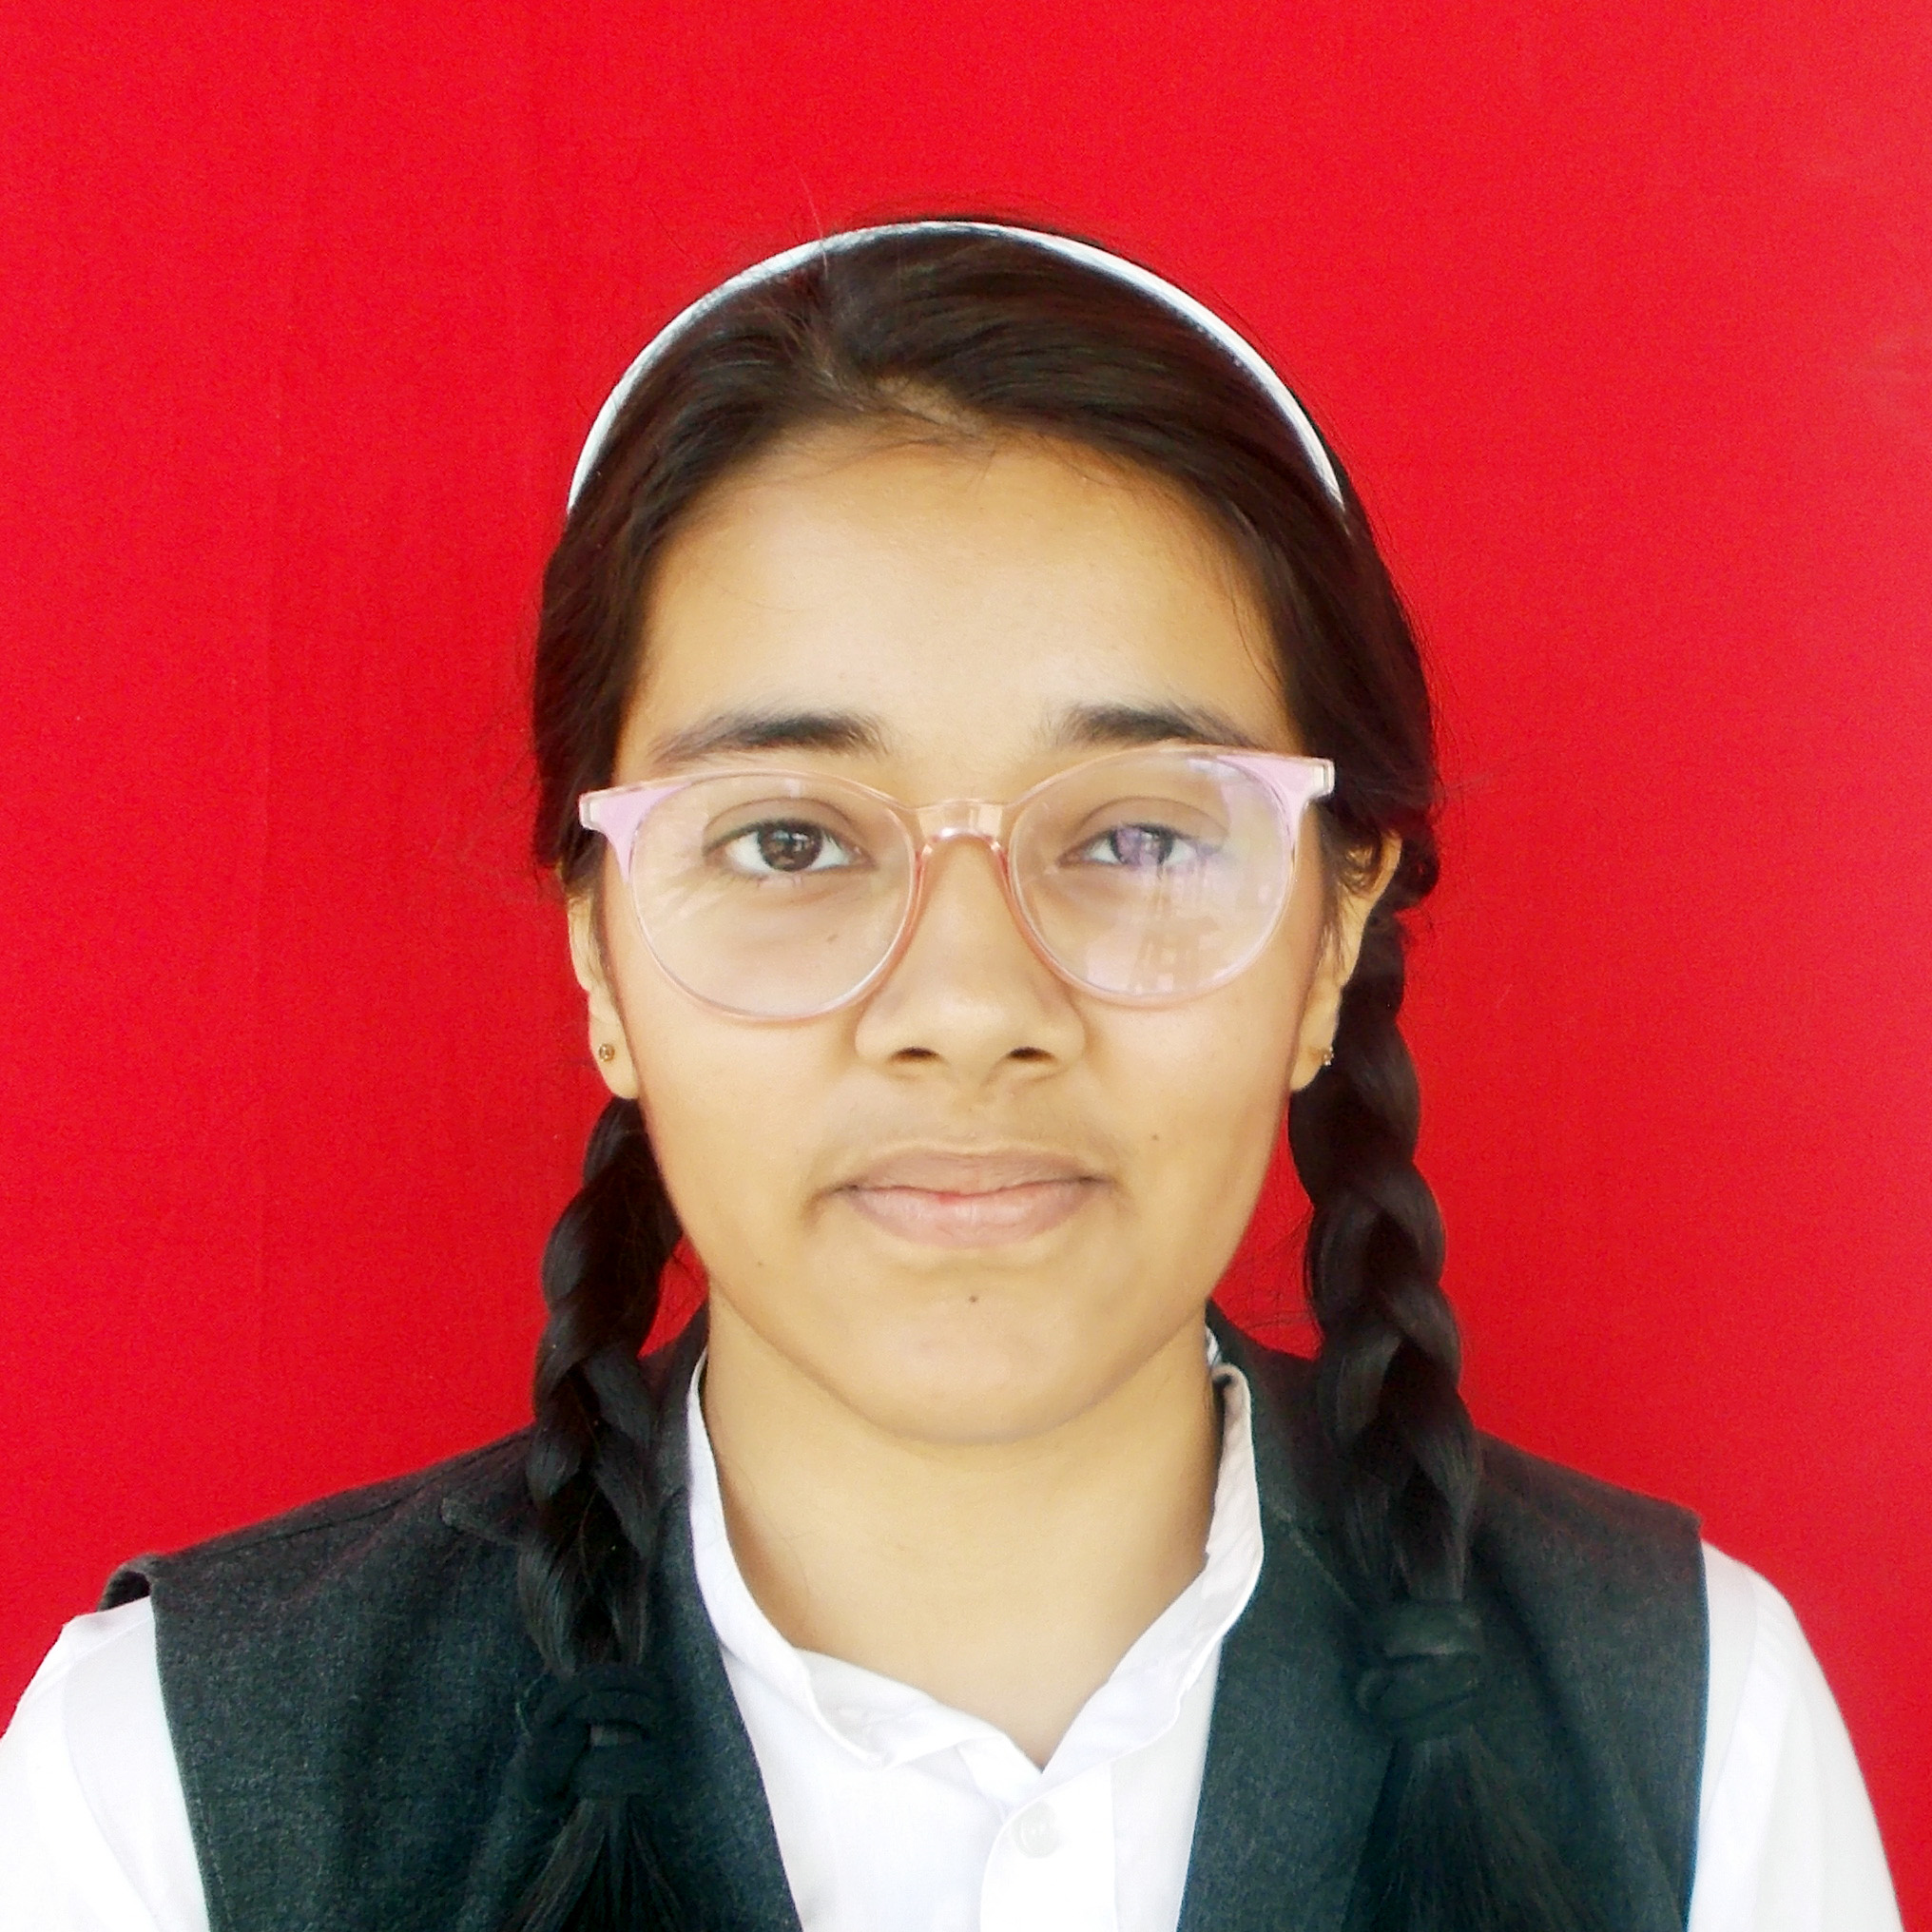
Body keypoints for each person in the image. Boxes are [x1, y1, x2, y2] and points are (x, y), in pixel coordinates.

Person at [0, 221, 1902, 1932]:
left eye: (1139, 834)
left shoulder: (1692, 1735)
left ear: (1331, 935)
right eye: (790, 840)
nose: (970, 1005)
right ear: (598, 953)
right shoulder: (162, 1785)